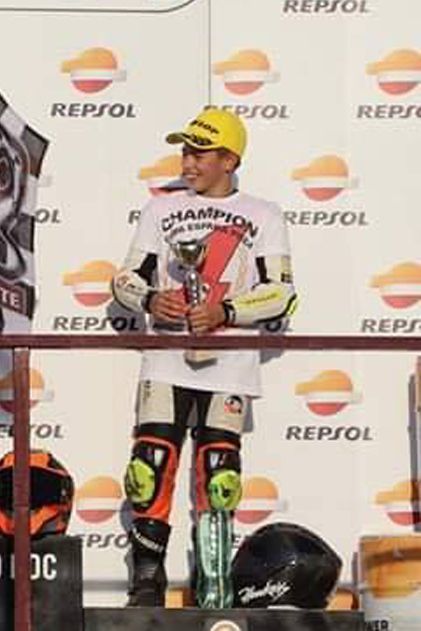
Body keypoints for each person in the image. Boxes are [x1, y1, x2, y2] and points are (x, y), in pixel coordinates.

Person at [112, 108, 297, 606]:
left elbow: (282, 293)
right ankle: (146, 583)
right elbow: (125, 279)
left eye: (199, 153)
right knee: (148, 467)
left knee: (220, 475)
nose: (188, 162)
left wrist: (225, 311)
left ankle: (213, 585)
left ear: (229, 159)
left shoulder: (264, 214)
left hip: (230, 362)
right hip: (166, 359)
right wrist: (152, 299)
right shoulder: (160, 209)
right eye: (185, 151)